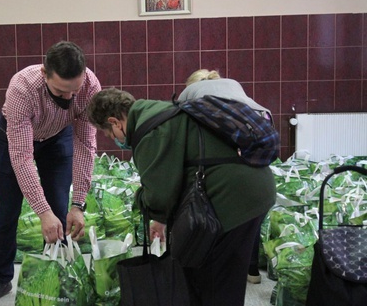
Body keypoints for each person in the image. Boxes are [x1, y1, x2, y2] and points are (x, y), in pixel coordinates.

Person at [86, 87, 276, 306]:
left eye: (110, 134)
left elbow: (158, 197)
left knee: (215, 280)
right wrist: (160, 218)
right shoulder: (160, 113)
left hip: (234, 198)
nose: (115, 139)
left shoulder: (149, 131)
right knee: (221, 275)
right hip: (251, 188)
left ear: (115, 122)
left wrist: (140, 198)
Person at [0, 41, 101, 305]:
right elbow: (22, 158)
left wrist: (78, 203)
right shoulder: (22, 87)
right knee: (6, 210)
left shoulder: (90, 86)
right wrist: (41, 212)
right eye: (60, 91)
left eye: (73, 92)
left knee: (59, 208)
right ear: (45, 74)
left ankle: (56, 278)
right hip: (17, 140)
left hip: (58, 138)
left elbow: (85, 145)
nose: (68, 99)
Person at [179, 69, 273, 284]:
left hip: (223, 186)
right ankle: (250, 271)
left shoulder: (197, 112)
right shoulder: (247, 107)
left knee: (222, 239)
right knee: (249, 229)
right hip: (262, 184)